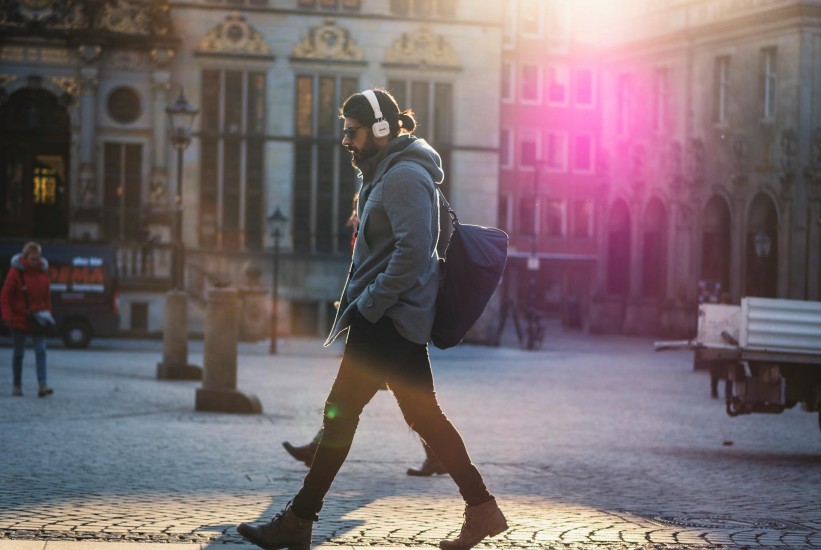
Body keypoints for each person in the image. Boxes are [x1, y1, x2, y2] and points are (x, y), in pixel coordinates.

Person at [237, 88, 507, 550]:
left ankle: (298, 522)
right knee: (425, 417)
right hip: (396, 319)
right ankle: (482, 509)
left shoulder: (403, 176)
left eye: (353, 131)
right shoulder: (387, 172)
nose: (346, 140)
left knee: (339, 414)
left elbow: (414, 250)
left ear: (381, 130)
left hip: (388, 320)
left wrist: (371, 304)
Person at [282, 192, 446, 478]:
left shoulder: (379, 224)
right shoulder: (362, 231)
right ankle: (443, 461)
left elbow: (394, 264)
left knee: (351, 402)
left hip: (384, 326)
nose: (357, 216)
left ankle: (316, 458)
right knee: (411, 403)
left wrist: (369, 304)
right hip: (378, 324)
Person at [1, 241, 54, 398]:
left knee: (41, 351)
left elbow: (47, 297)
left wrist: (48, 314)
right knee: (19, 353)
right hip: (19, 318)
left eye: (37, 258)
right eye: (32, 258)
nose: (35, 261)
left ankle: (42, 385)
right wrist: (7, 316)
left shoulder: (43, 272)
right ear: (25, 258)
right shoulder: (16, 272)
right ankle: (17, 385)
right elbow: (5, 296)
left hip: (37, 318)